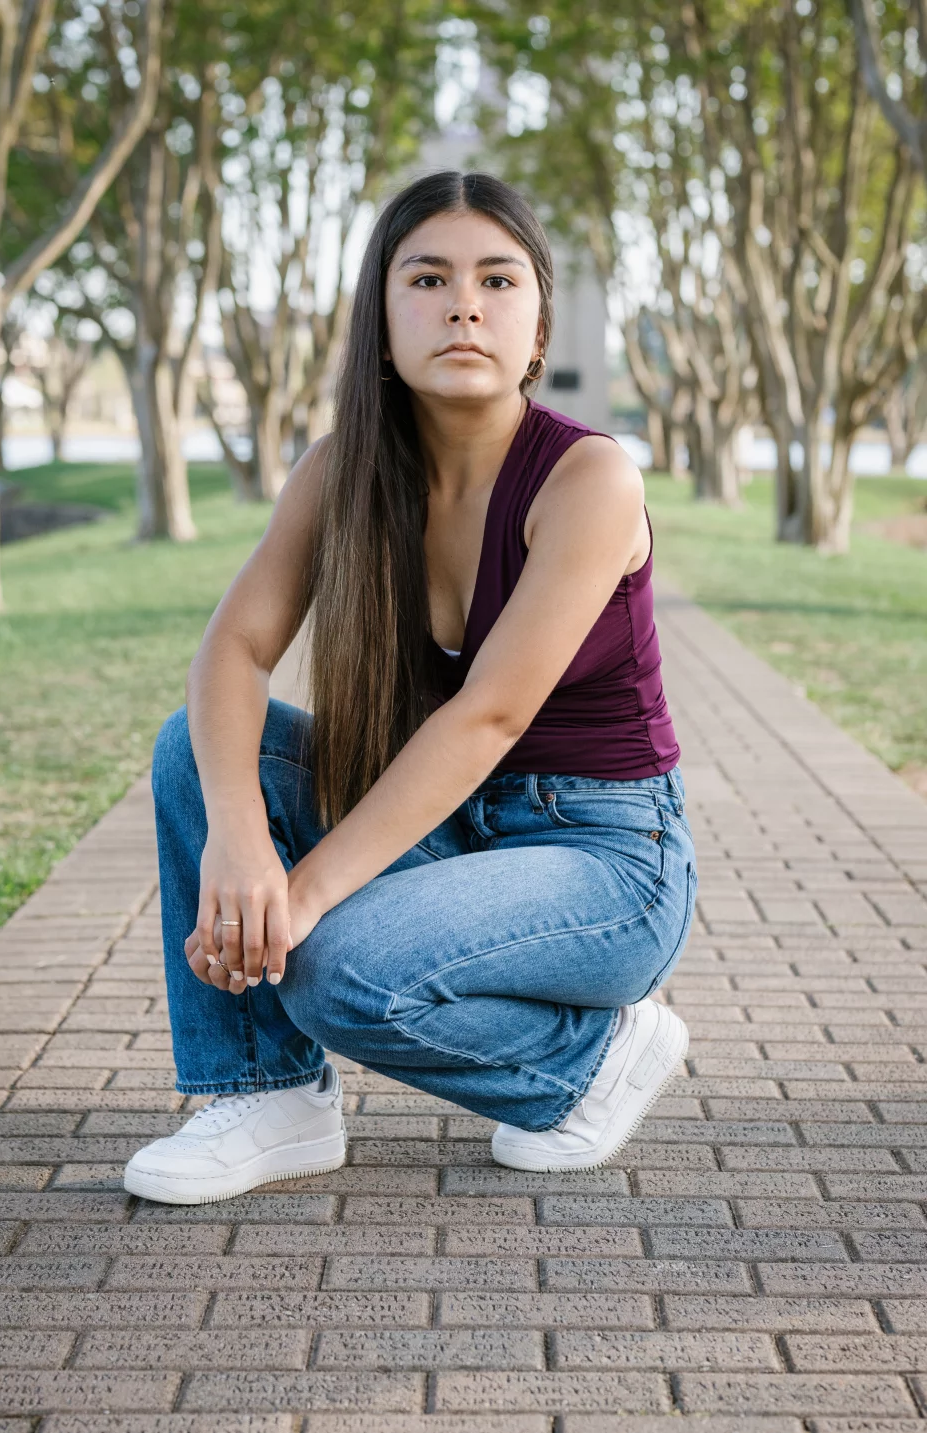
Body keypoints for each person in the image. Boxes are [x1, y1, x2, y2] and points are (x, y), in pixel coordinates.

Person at [123, 171, 697, 1206]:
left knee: (334, 965)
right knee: (197, 748)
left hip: (608, 860)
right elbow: (232, 652)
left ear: (537, 327)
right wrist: (238, 837)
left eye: (497, 280)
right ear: (381, 324)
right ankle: (268, 1095)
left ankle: (592, 1061)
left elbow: (490, 715)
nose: (463, 305)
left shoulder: (590, 479)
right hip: (454, 827)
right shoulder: (340, 472)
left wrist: (296, 898)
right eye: (428, 279)